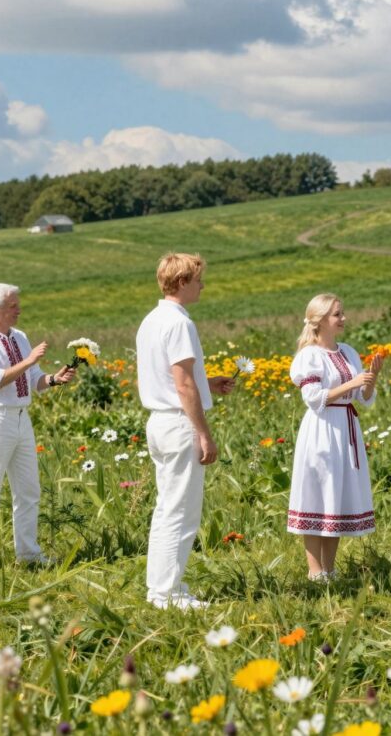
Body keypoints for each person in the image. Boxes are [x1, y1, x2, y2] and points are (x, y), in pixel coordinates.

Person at [136, 253, 234, 610]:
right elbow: (183, 385)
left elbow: (169, 377)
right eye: (197, 279)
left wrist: (208, 383)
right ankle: (168, 593)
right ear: (180, 283)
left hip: (160, 422)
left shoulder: (151, 320)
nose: (202, 285)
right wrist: (204, 433)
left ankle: (160, 587)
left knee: (168, 508)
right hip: (179, 423)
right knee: (181, 511)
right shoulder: (179, 323)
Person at [0, 283, 74, 573]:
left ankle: (28, 553)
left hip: (21, 418)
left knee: (28, 489)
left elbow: (35, 379)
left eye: (17, 304)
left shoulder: (21, 337)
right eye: (13, 306)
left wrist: (54, 379)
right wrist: (28, 361)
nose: (19, 310)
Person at [287, 294, 383, 580]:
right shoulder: (309, 356)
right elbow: (313, 397)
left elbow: (363, 398)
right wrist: (352, 382)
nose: (343, 319)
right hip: (321, 429)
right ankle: (314, 571)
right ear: (319, 321)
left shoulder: (349, 352)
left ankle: (330, 569)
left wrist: (371, 378)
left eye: (342, 313)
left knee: (335, 496)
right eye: (337, 315)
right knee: (317, 494)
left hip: (345, 428)